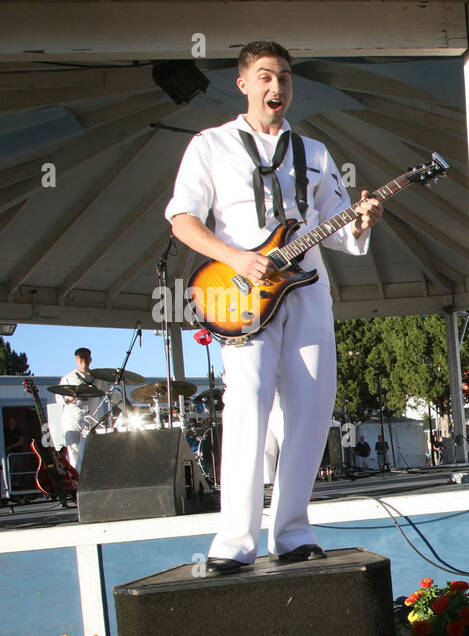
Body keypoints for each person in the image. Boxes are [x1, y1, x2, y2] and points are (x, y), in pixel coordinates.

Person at [166, 40, 382, 574]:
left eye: (284, 77)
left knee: (312, 408)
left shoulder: (316, 152)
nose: (276, 87)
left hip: (307, 288)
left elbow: (335, 227)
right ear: (242, 84)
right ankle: (235, 539)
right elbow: (182, 219)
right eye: (265, 76)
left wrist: (362, 221)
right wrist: (236, 258)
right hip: (242, 292)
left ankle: (293, 532)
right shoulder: (209, 145)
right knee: (248, 404)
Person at [58, 348, 114, 473]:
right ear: (76, 360)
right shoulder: (68, 378)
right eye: (81, 357)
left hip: (91, 421)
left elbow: (112, 393)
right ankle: (76, 483)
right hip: (73, 421)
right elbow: (59, 399)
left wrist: (127, 405)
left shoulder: (97, 379)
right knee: (75, 455)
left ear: (91, 359)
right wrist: (72, 397)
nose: (84, 360)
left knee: (92, 453)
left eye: (86, 357)